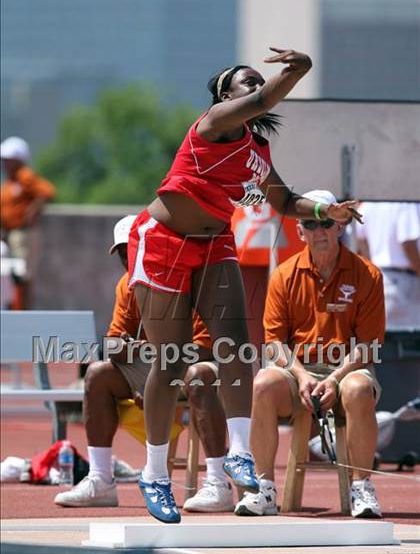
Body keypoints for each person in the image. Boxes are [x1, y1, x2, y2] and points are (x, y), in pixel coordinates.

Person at [127, 48, 363, 523]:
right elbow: (261, 102)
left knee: (237, 346)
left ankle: (239, 451)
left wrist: (324, 212)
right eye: (246, 81)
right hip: (165, 241)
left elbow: (284, 200)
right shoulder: (213, 123)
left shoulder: (256, 151)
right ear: (225, 96)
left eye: (260, 80)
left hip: (213, 244)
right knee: (169, 361)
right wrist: (297, 71)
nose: (256, 87)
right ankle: (154, 473)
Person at [55, 216, 233, 512]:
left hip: (191, 367)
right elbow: (112, 343)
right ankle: (100, 480)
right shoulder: (127, 284)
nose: (128, 258)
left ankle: (218, 484)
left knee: (201, 375)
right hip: (153, 367)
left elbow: (204, 348)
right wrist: (121, 349)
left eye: (133, 249)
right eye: (122, 253)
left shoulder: (192, 280)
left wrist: (156, 379)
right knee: (98, 374)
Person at [235, 189, 384, 519]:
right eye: (310, 224)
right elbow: (274, 342)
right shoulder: (284, 276)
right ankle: (264, 488)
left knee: (359, 388)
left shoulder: (368, 274)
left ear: (340, 226)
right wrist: (302, 376)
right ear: (299, 231)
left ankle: (362, 487)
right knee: (262, 382)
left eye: (327, 223)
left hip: (346, 371)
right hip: (297, 370)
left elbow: (369, 344)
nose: (320, 231)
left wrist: (333, 378)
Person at [0, 136, 56, 308]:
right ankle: (14, 308)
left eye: (8, 160)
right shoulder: (11, 181)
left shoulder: (25, 176)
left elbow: (47, 191)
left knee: (21, 275)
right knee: (9, 274)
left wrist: (33, 209)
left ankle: (22, 310)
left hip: (21, 233)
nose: (4, 163)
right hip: (9, 234)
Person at [356, 202, 420, 329]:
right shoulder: (406, 203)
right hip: (404, 281)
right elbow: (407, 243)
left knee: (382, 338)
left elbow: (359, 239)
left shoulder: (368, 204)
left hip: (379, 279)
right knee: (410, 341)